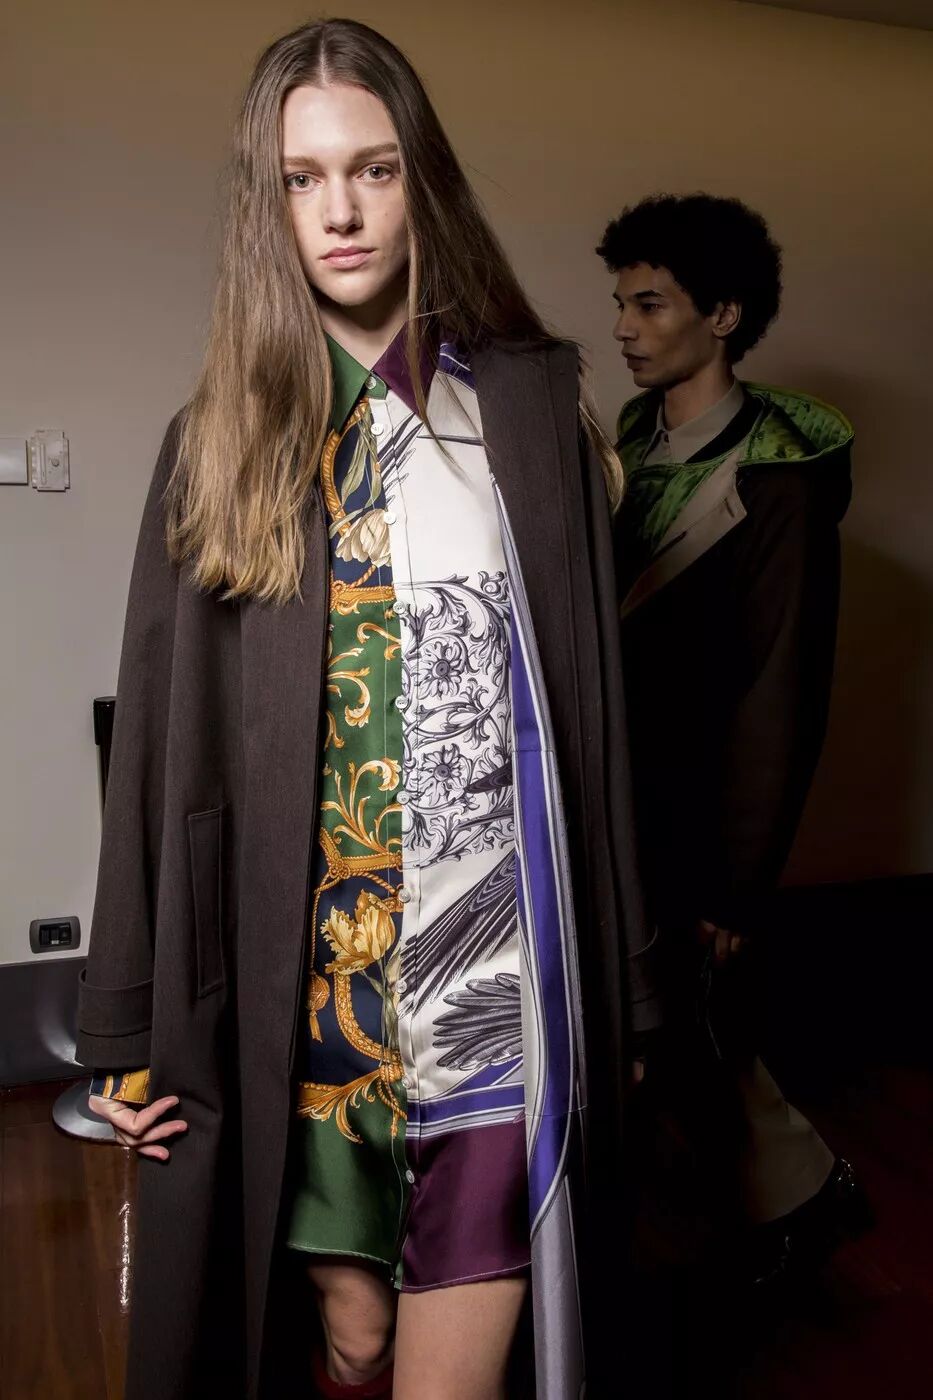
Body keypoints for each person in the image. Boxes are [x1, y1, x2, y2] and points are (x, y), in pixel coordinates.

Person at [78, 19, 656, 1400]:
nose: (339, 211)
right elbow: (158, 748)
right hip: (305, 1018)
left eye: (374, 170)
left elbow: (599, 726)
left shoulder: (533, 413)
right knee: (353, 1342)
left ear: (420, 181)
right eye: (303, 178)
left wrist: (624, 991)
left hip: (493, 999)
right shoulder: (215, 443)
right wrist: (125, 1030)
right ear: (266, 203)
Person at [596, 193, 868, 1290]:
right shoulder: (629, 440)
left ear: (723, 315)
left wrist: (738, 883)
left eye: (650, 304)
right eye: (621, 302)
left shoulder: (779, 475)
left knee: (695, 1031)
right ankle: (753, 1215)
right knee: (653, 1031)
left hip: (702, 811)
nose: (624, 327)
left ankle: (795, 1209)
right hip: (618, 792)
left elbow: (780, 689)